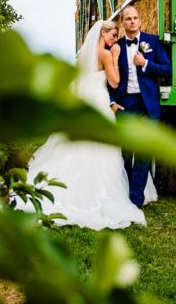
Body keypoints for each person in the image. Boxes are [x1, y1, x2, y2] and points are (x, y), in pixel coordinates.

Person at [14, 19, 148, 229]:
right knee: (101, 149)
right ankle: (94, 194)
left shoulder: (81, 55)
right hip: (99, 102)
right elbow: (114, 82)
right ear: (102, 34)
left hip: (84, 101)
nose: (114, 40)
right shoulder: (105, 53)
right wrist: (115, 57)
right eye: (113, 35)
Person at [109, 5, 170, 208]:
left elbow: (167, 69)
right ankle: (125, 192)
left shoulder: (152, 42)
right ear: (122, 23)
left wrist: (145, 63)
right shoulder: (116, 46)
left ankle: (135, 199)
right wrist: (112, 101)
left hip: (147, 105)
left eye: (135, 18)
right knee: (125, 152)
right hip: (125, 104)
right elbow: (109, 78)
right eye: (128, 19)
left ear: (140, 20)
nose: (132, 21)